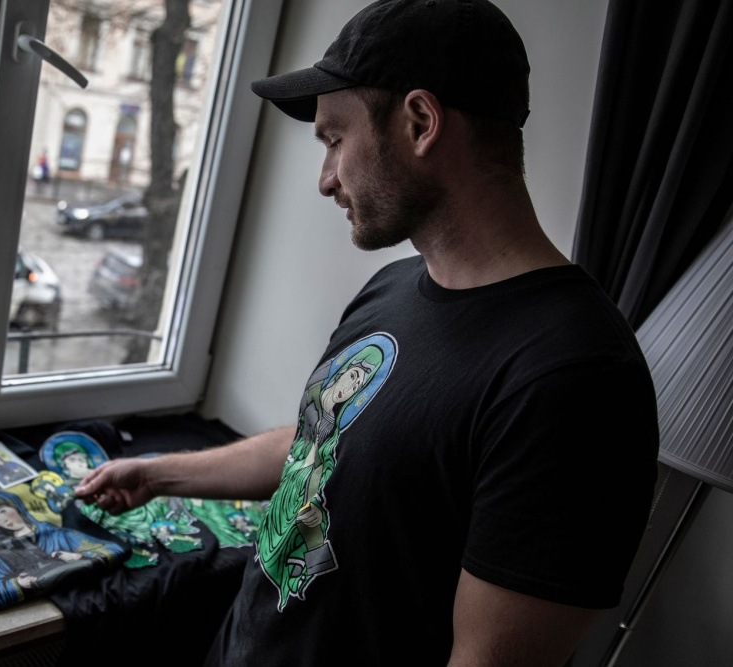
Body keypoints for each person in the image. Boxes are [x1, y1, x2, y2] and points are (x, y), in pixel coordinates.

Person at [75, 1, 660, 665]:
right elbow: (323, 448)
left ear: (419, 122)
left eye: (333, 140)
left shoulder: (575, 379)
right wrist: (156, 473)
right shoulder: (393, 288)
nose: (325, 179)